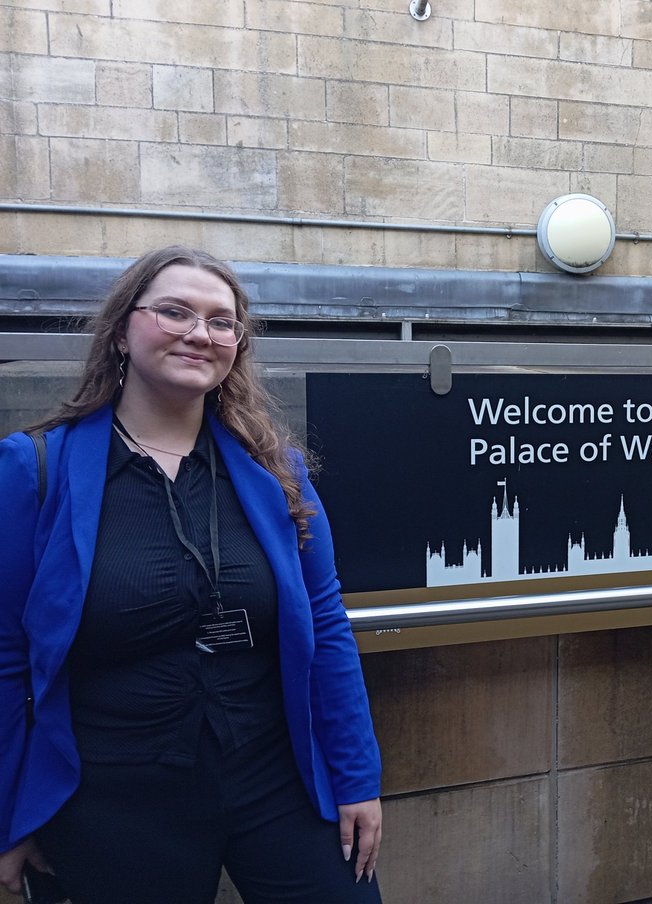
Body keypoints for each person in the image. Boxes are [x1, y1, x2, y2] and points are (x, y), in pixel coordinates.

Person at [0, 247, 384, 903]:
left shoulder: (278, 473)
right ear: (122, 330)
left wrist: (357, 779)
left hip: (276, 779)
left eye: (221, 321)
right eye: (174, 312)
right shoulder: (32, 470)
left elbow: (325, 626)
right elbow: (7, 653)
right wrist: (11, 812)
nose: (199, 333)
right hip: (113, 797)